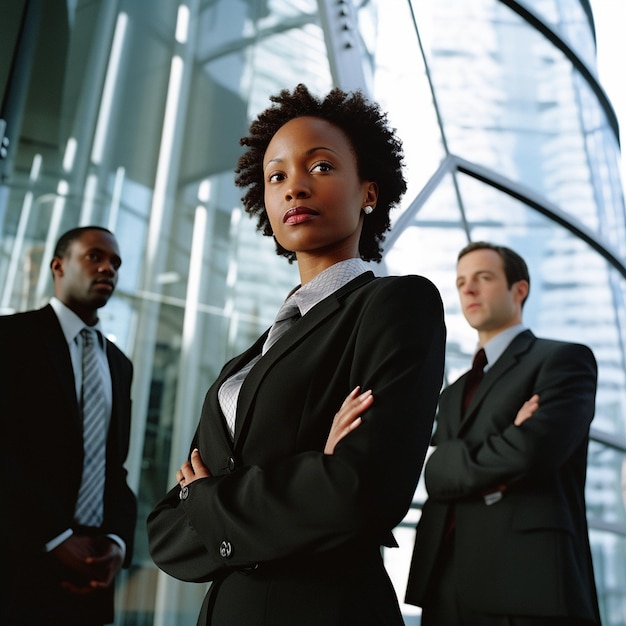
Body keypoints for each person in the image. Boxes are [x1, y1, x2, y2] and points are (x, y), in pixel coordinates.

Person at [147, 83, 446, 625]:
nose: (294, 188)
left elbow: (363, 489)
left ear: (369, 192)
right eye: (276, 176)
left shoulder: (396, 303)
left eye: (322, 167)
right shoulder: (240, 367)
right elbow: (166, 534)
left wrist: (211, 501)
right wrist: (311, 472)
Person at [405, 241, 601, 625]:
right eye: (461, 282)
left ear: (519, 289)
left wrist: (458, 462)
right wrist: (502, 451)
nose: (469, 290)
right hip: (443, 586)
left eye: (483, 278)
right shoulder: (453, 392)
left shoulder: (562, 360)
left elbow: (531, 453)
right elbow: (436, 474)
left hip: (526, 583)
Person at [0, 226, 137, 626]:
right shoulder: (10, 339)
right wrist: (56, 535)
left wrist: (115, 543)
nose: (108, 268)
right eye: (94, 256)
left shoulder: (119, 364)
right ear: (58, 266)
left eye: (115, 262)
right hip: (17, 559)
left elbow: (115, 468)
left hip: (92, 571)